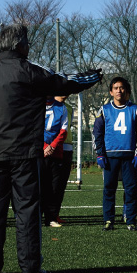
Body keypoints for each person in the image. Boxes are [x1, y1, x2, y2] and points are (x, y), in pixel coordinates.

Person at [0, 23, 101, 273]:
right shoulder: (28, 71)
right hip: (24, 153)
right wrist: (91, 77)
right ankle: (30, 266)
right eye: (27, 43)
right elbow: (63, 83)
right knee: (27, 209)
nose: (29, 47)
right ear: (20, 45)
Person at [93, 77, 137, 232]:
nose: (119, 91)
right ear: (111, 91)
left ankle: (130, 220)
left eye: (122, 88)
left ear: (127, 91)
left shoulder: (136, 109)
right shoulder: (104, 110)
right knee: (109, 189)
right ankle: (108, 220)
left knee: (131, 189)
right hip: (110, 156)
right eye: (115, 88)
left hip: (130, 156)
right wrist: (100, 154)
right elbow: (97, 133)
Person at [41, 96, 68, 228]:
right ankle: (35, 217)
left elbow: (64, 130)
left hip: (55, 153)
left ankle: (51, 218)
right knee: (38, 186)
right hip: (38, 152)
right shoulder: (33, 105)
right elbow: (31, 128)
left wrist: (52, 146)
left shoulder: (61, 107)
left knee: (54, 187)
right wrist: (44, 146)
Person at [54, 95, 73, 224]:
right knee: (48, 184)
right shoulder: (47, 105)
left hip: (67, 148)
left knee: (61, 184)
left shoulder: (69, 108)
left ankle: (55, 214)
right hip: (50, 148)